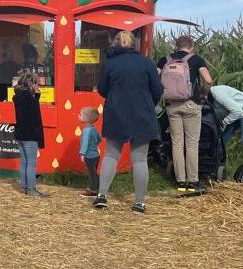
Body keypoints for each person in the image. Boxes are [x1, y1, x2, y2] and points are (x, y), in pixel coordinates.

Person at [93, 31, 163, 214]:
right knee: (139, 160)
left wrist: (115, 98)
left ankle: (102, 195)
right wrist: (148, 104)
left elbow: (101, 89)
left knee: (111, 155)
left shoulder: (110, 63)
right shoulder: (145, 63)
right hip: (142, 115)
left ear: (116, 43)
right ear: (134, 44)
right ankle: (139, 203)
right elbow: (157, 90)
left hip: (116, 113)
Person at [156, 35, 213, 193]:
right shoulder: (196, 60)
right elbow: (208, 80)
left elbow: (155, 76)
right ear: (191, 46)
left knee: (177, 143)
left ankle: (180, 182)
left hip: (172, 105)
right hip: (191, 104)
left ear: (176, 45)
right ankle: (192, 181)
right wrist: (202, 94)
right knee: (192, 143)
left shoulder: (165, 59)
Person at [13, 71, 47, 197]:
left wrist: (36, 98)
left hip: (20, 133)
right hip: (30, 135)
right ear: (32, 84)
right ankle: (31, 189)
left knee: (24, 162)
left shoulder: (17, 97)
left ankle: (24, 187)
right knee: (31, 163)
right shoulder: (30, 99)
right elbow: (35, 118)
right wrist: (40, 138)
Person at [78, 107, 102, 197]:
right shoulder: (94, 129)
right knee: (94, 172)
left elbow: (85, 143)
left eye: (80, 115)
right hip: (96, 155)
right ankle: (97, 188)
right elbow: (99, 139)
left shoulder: (86, 131)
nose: (79, 116)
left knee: (91, 173)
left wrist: (82, 154)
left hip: (89, 156)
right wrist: (94, 145)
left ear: (87, 119)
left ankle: (93, 191)